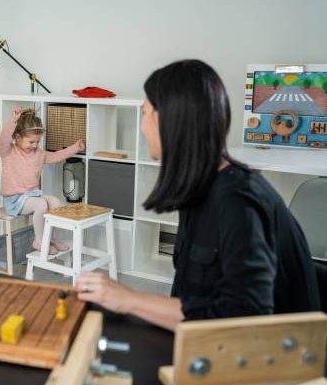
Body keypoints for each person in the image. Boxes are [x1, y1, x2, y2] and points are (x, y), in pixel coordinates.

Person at [75, 60, 320, 330]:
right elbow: (195, 299)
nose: (143, 127)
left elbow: (242, 318)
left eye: (145, 114)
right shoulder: (203, 188)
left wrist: (128, 299)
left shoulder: (237, 201)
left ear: (168, 120)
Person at [0, 107, 85, 254]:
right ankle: (39, 241)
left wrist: (75, 148)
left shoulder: (38, 153)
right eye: (31, 141)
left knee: (55, 203)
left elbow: (57, 156)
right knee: (41, 204)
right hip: (15, 199)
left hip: (32, 195)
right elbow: (3, 137)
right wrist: (13, 120)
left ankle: (49, 237)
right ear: (18, 137)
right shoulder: (8, 152)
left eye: (37, 142)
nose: (34, 145)